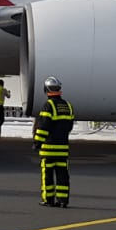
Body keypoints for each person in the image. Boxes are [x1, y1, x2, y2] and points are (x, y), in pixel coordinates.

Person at [33, 75, 75, 208]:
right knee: (63, 175)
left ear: (46, 90)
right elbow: (69, 126)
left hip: (49, 149)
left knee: (48, 175)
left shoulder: (48, 105)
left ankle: (48, 199)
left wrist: (37, 142)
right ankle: (63, 200)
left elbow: (43, 126)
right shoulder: (68, 106)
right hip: (63, 149)